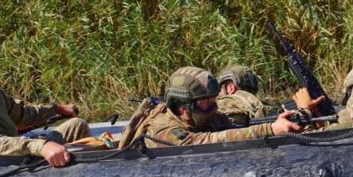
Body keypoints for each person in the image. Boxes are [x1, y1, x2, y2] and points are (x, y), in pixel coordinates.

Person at [132, 66, 315, 148]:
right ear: (182, 107)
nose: (213, 107)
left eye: (214, 100)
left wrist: (293, 118)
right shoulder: (164, 130)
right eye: (206, 103)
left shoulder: (205, 116)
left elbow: (240, 125)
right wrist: (270, 129)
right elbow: (204, 142)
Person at [0, 52, 90, 167]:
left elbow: (23, 114)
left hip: (19, 150)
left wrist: (56, 109)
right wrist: (41, 146)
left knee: (77, 126)